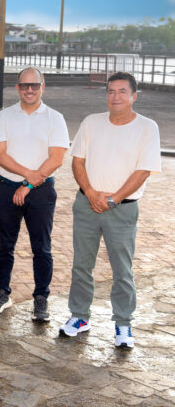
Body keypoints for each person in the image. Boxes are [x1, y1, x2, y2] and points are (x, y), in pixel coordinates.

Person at [59, 72, 160, 349]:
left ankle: (123, 323)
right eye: (111, 91)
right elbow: (77, 161)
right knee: (81, 264)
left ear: (134, 96)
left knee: (122, 269)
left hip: (122, 209)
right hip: (87, 205)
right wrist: (91, 193)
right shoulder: (91, 122)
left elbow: (143, 171)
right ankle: (80, 316)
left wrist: (114, 199)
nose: (116, 97)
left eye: (122, 91)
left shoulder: (147, 127)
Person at [0, 67, 70, 322]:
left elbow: (56, 158)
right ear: (17, 88)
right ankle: (2, 292)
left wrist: (29, 185)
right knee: (5, 245)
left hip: (41, 191)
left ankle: (41, 297)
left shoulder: (55, 118)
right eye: (25, 85)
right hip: (7, 188)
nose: (30, 90)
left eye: (35, 85)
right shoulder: (4, 116)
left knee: (41, 247)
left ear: (43, 86)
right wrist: (27, 176)